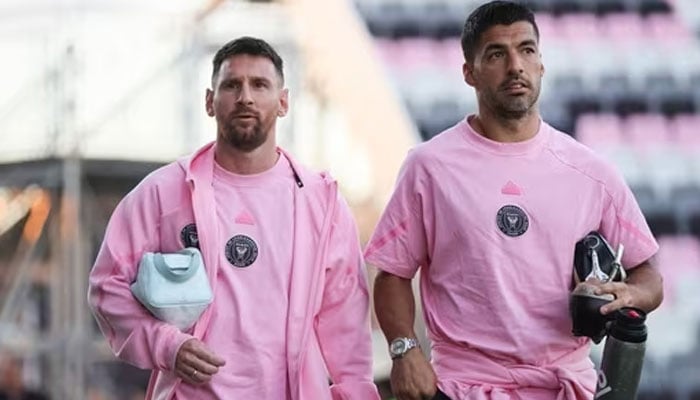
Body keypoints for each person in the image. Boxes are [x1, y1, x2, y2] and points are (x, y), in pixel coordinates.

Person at [364, 2, 664, 399]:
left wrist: (628, 294)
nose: (515, 65)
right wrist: (404, 350)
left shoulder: (591, 172)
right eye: (496, 54)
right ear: (469, 73)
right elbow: (392, 276)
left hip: (566, 385)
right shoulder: (429, 166)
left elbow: (649, 278)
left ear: (541, 64)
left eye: (526, 50)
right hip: (463, 387)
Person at [88, 36, 380, 400]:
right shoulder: (162, 193)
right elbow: (106, 287)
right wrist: (167, 346)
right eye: (231, 85)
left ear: (284, 101)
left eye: (260, 84)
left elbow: (346, 322)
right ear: (210, 102)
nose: (245, 97)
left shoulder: (322, 203)